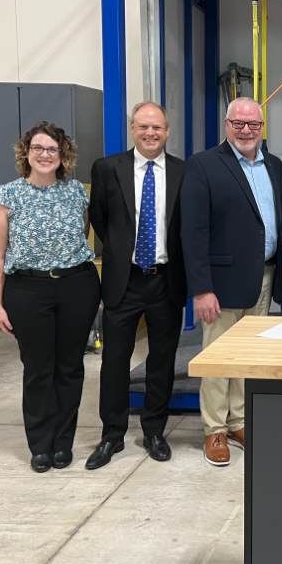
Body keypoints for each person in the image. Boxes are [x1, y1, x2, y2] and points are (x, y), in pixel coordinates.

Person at [0, 121, 100, 473]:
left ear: (63, 155)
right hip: (27, 290)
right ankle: (40, 444)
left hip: (76, 285)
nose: (45, 155)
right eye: (38, 148)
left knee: (70, 367)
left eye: (53, 149)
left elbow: (80, 239)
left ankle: (63, 442)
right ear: (26, 153)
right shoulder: (5, 197)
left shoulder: (77, 193)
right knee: (37, 369)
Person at [181, 97, 282, 467]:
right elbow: (193, 232)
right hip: (221, 282)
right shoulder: (204, 165)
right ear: (226, 125)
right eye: (238, 124)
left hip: (265, 275)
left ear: (262, 127)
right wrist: (201, 288)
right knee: (218, 359)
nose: (246, 131)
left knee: (249, 357)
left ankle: (239, 422)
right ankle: (214, 430)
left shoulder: (274, 165)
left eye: (253, 125)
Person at [85, 102, 187, 470]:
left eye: (157, 127)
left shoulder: (181, 171)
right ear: (132, 129)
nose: (150, 133)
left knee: (162, 360)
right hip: (122, 282)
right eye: (143, 126)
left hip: (165, 280)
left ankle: (154, 431)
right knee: (114, 361)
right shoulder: (107, 168)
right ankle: (112, 435)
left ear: (167, 130)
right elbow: (100, 217)